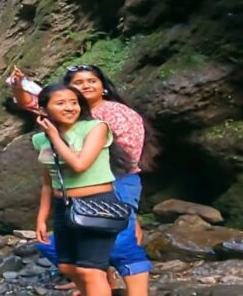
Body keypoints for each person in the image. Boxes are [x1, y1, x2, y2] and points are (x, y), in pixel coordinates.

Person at [12, 64, 155, 295]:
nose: (85, 86)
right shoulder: (52, 127)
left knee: (122, 243)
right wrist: (19, 86)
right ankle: (101, 283)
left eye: (91, 81)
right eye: (78, 83)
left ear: (103, 87)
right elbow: (30, 102)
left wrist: (115, 193)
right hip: (68, 196)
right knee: (77, 259)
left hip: (114, 180)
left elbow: (125, 156)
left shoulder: (112, 116)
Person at [32, 83, 123, 296]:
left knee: (90, 270)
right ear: (44, 110)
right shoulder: (39, 139)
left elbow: (80, 165)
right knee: (67, 267)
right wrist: (41, 217)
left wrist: (54, 136)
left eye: (74, 103)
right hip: (63, 205)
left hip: (97, 202)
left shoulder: (96, 127)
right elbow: (48, 180)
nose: (70, 107)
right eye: (61, 103)